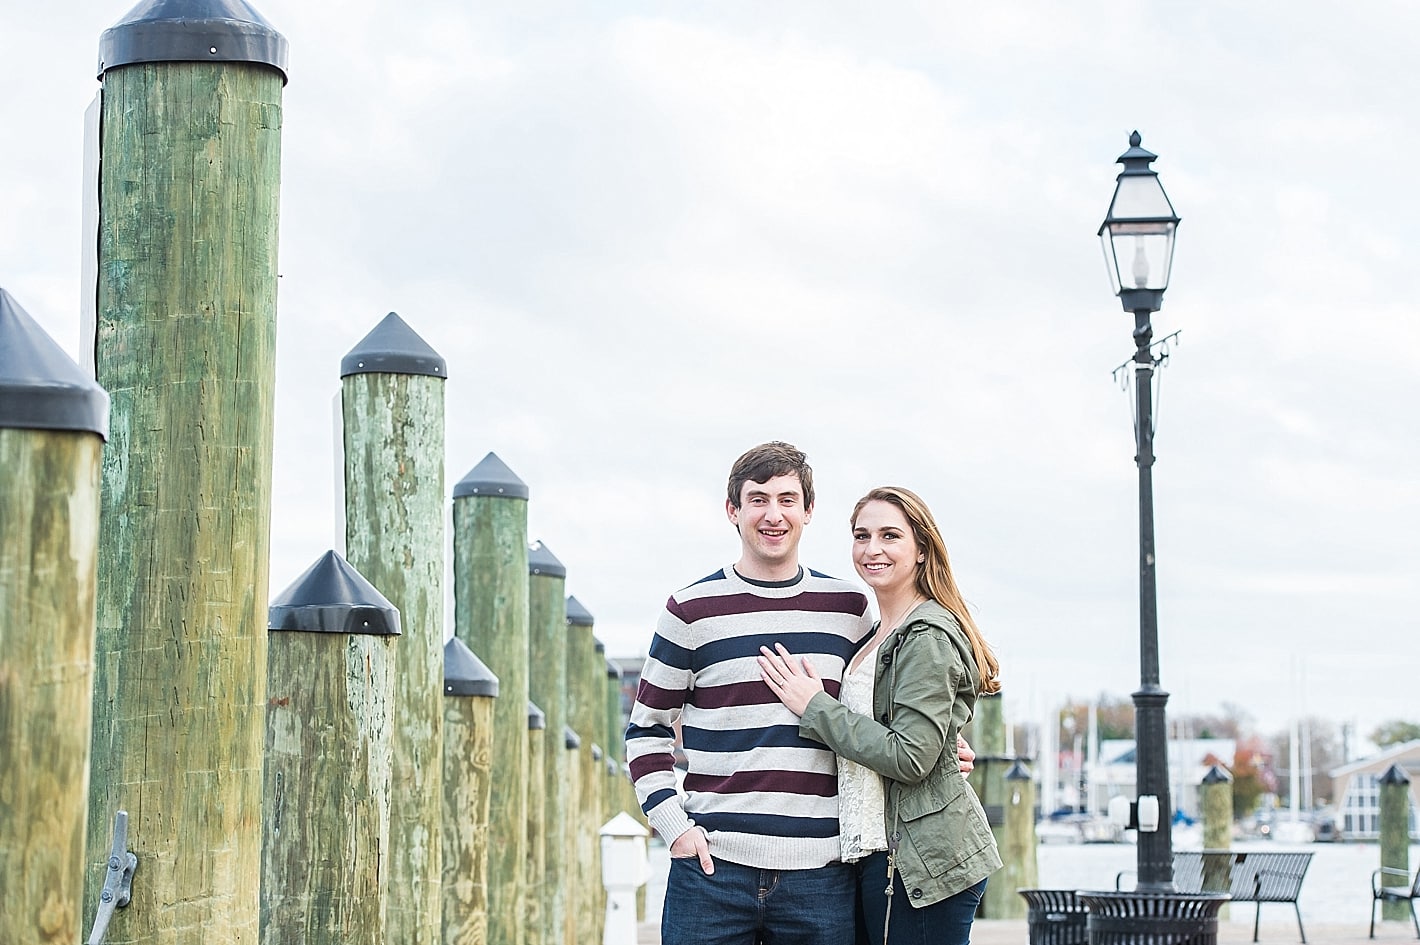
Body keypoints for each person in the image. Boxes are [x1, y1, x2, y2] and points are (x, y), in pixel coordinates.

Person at [625, 441, 870, 945]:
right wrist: (676, 829)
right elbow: (645, 731)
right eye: (758, 499)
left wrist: (938, 747)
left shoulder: (849, 610)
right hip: (712, 872)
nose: (773, 514)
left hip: (821, 877)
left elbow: (874, 719)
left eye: (786, 499)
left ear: (809, 511)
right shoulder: (690, 610)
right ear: (733, 511)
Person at [758, 485, 1002, 945]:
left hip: (920, 859)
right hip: (877, 853)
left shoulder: (925, 634)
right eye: (861, 535)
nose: (873, 549)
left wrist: (816, 707)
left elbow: (911, 757)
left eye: (890, 536)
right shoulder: (876, 633)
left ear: (922, 551)